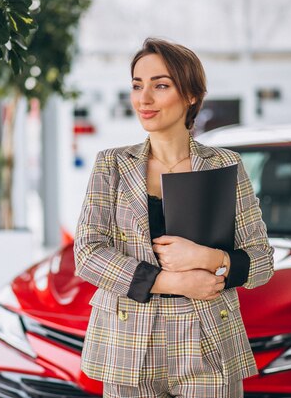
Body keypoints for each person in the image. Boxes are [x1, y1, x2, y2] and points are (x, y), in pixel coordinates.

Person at [74, 37, 274, 398]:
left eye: (160, 85)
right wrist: (172, 281)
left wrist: (208, 259)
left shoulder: (225, 165)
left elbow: (261, 262)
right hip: (128, 343)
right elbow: (88, 254)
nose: (143, 99)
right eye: (137, 86)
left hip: (207, 338)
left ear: (192, 95)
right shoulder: (112, 164)